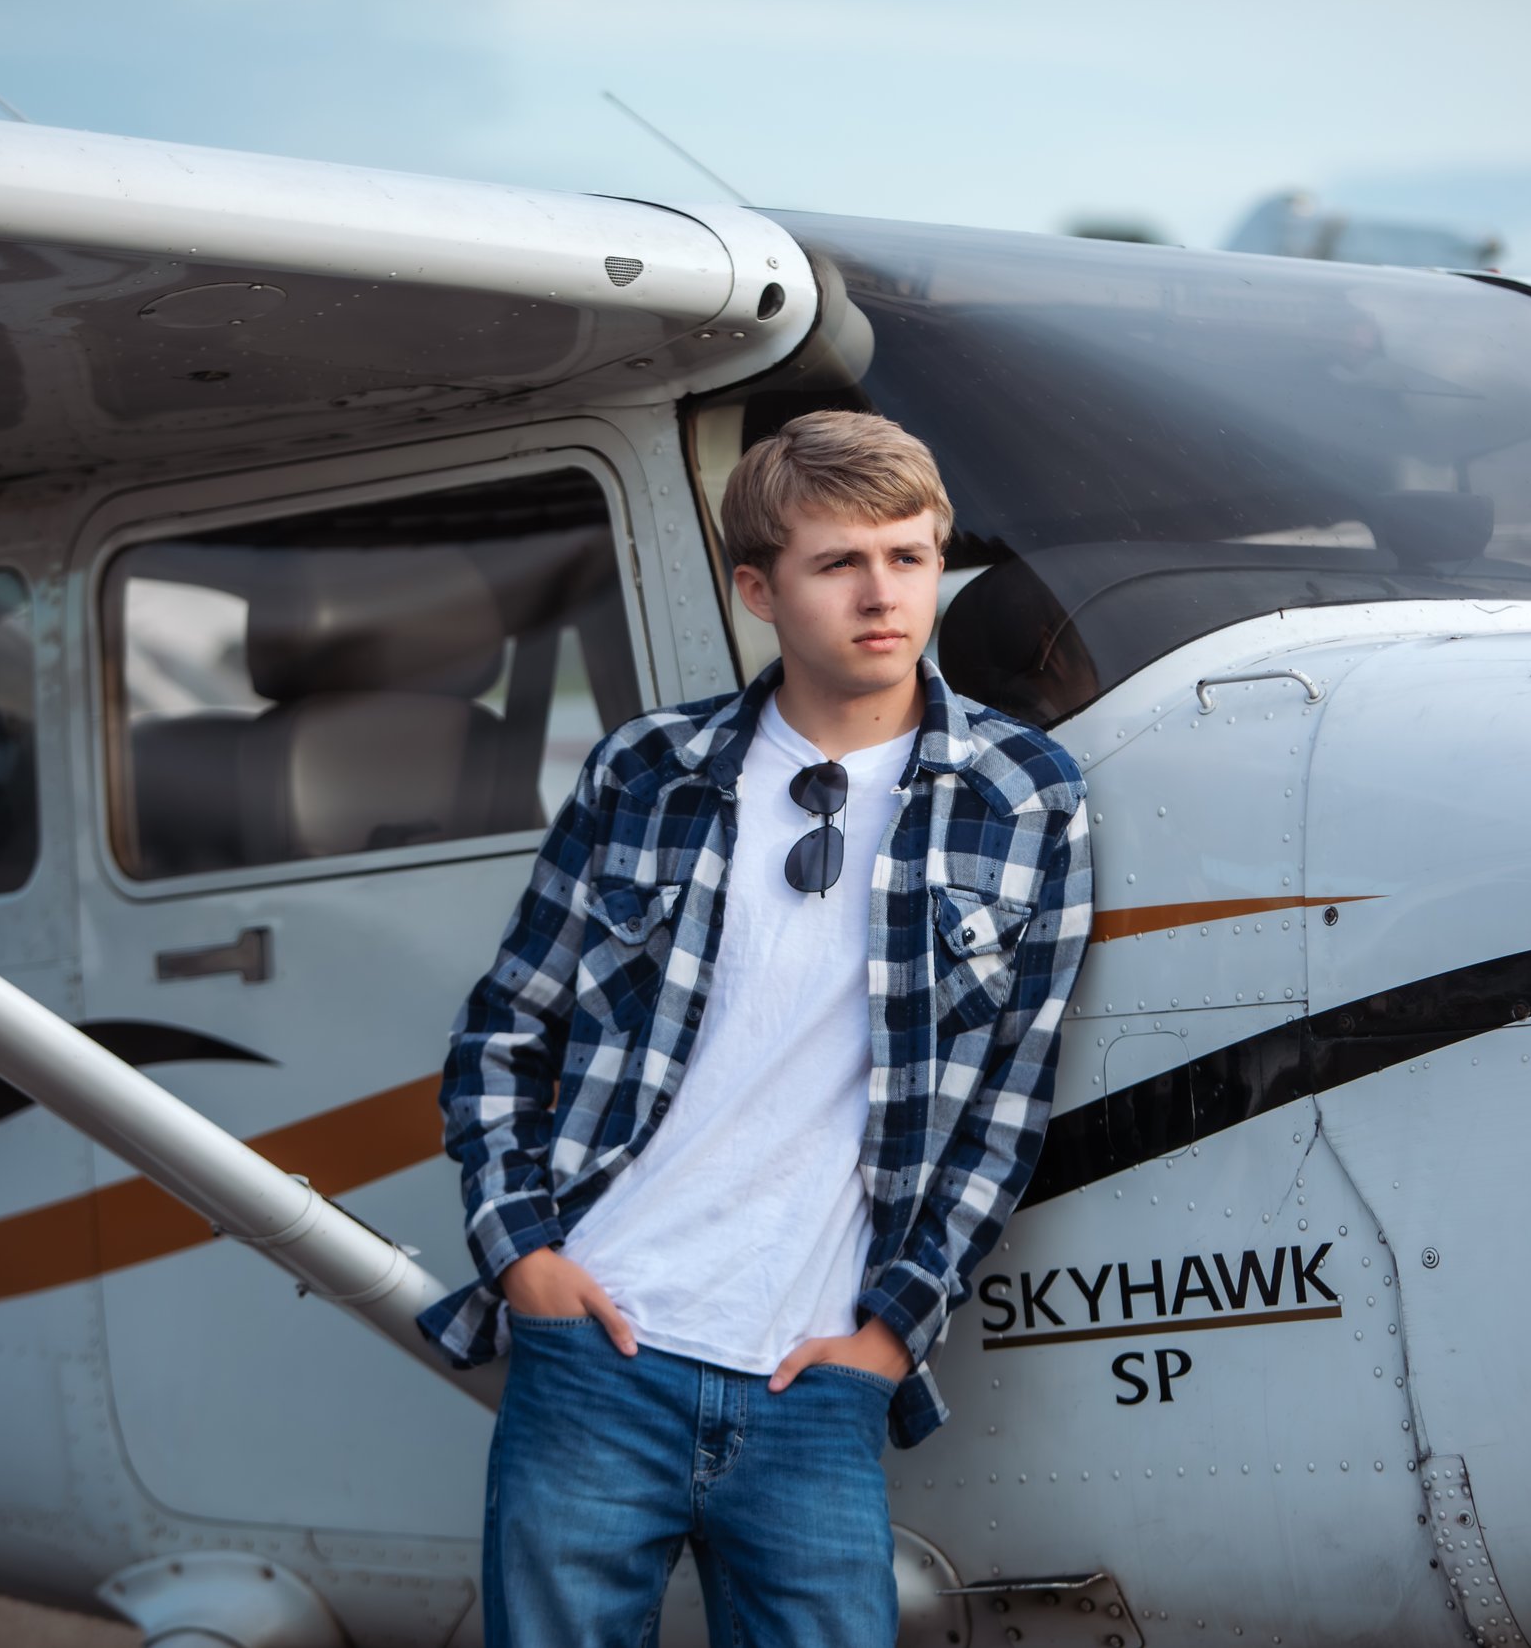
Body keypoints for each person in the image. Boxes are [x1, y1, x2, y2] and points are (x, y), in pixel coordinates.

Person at [417, 410, 1095, 1646]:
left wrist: (891, 1331)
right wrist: (526, 1257)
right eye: (838, 563)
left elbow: (1004, 1108)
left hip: (815, 1383)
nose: (881, 594)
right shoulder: (647, 770)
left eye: (908, 556)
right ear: (756, 588)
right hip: (596, 1353)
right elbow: (504, 1028)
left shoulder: (1027, 795)